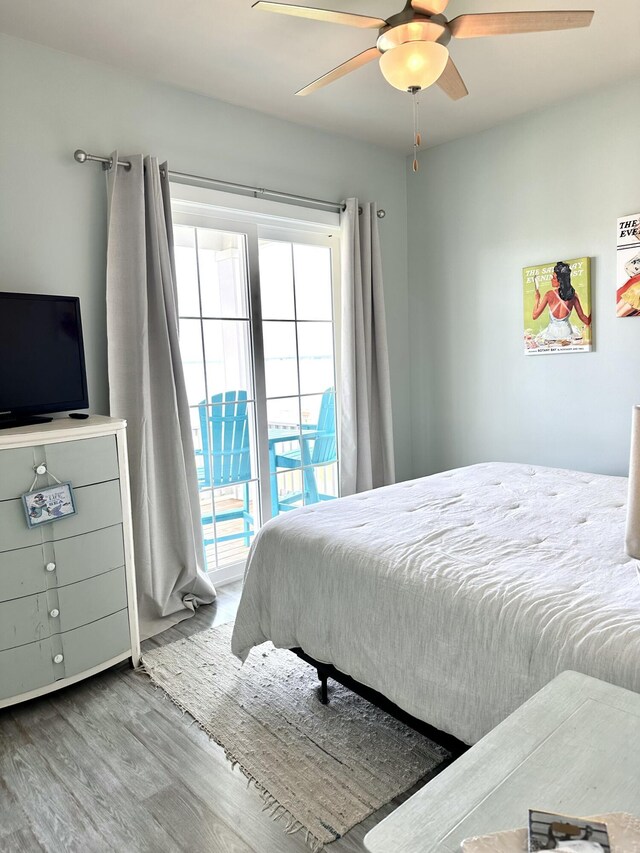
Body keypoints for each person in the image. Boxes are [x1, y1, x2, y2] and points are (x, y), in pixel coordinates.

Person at [532, 261, 591, 344]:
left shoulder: (549, 295)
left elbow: (535, 316)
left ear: (560, 281)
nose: (551, 279)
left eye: (553, 277)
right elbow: (584, 318)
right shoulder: (573, 296)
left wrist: (537, 299)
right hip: (567, 332)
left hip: (552, 333)